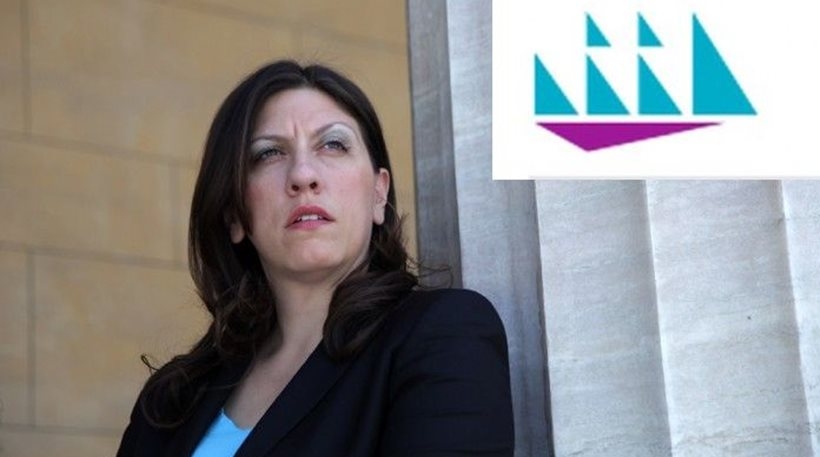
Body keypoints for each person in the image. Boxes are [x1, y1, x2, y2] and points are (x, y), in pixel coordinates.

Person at [116, 60, 514, 457]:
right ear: (234, 213)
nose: (303, 174)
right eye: (269, 153)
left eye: (333, 144)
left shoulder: (441, 335)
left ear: (378, 194)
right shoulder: (172, 399)